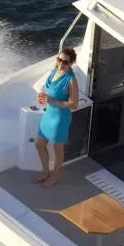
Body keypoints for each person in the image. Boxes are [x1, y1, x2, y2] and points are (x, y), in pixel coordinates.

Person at [34, 47, 80, 187]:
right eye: (59, 59)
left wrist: (52, 101)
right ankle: (45, 172)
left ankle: (55, 176)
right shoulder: (55, 70)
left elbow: (74, 104)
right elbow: (49, 90)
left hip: (60, 117)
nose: (61, 63)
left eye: (65, 62)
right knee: (39, 144)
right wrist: (42, 95)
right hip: (49, 114)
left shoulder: (71, 80)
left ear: (71, 63)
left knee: (57, 149)